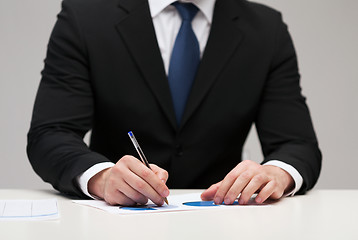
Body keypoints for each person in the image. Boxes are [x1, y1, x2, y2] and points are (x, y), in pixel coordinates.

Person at [27, 0, 321, 206]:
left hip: (221, 215)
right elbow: (51, 133)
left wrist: (276, 173)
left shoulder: (267, 29)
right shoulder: (85, 18)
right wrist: (101, 177)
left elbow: (297, 144)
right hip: (115, 220)